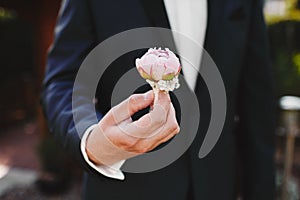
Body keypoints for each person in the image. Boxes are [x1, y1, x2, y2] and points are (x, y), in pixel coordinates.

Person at [41, 0, 276, 199]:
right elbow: (62, 81)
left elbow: (258, 105)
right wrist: (90, 138)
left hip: (217, 185)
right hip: (126, 189)